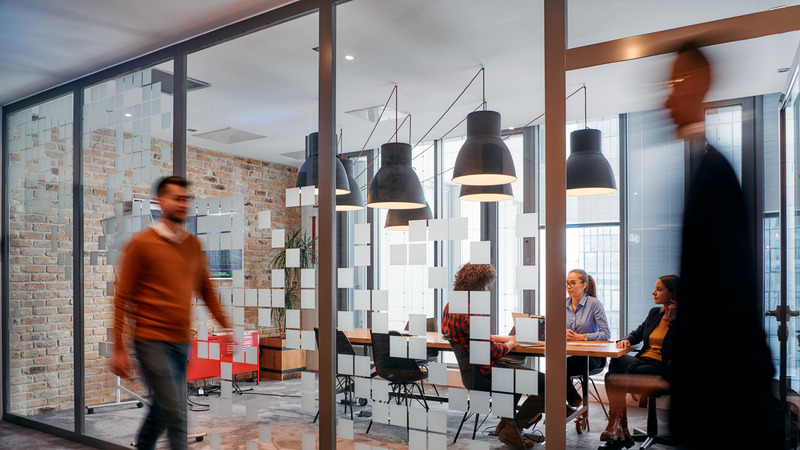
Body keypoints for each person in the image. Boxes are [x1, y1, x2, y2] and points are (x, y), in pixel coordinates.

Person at [665, 43, 779, 449]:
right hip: (720, 391)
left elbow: (722, 297)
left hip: (724, 397)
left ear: (702, 84)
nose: (667, 97)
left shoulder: (714, 176)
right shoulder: (706, 169)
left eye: (676, 83)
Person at [111, 176, 232, 450]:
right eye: (177, 199)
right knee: (177, 414)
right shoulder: (140, 245)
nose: (183, 204)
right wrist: (118, 348)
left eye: (186, 199)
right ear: (160, 202)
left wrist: (226, 327)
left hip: (180, 343)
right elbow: (121, 300)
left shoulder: (192, 245)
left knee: (164, 410)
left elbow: (206, 290)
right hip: (150, 342)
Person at [441, 263, 545, 449]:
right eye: (486, 285)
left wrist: (503, 339)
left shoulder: (451, 306)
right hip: (486, 374)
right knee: (547, 383)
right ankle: (513, 429)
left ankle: (506, 426)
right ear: (478, 286)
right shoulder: (473, 313)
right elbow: (492, 352)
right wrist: (511, 343)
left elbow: (469, 339)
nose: (488, 289)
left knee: (518, 378)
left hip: (472, 374)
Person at [600, 275, 678, 445]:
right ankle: (622, 427)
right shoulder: (654, 313)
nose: (653, 292)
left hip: (662, 368)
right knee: (617, 360)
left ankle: (618, 427)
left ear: (672, 293)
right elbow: (637, 333)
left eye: (659, 289)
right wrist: (626, 339)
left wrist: (673, 321)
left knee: (612, 377)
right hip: (642, 362)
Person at [565, 268, 610, 410]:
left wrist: (583, 337)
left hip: (592, 357)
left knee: (560, 369)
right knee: (555, 368)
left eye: (573, 283)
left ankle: (574, 403)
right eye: (567, 283)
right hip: (569, 354)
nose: (569, 287)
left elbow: (605, 334)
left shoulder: (593, 304)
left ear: (584, 285)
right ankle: (572, 405)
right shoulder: (563, 304)